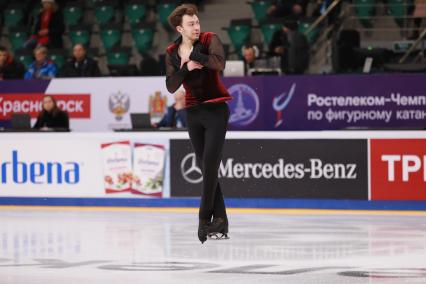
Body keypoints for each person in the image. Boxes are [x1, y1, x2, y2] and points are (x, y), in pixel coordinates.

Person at [166, 4, 232, 244]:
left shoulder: (209, 39)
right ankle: (221, 222)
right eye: (191, 24)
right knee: (206, 168)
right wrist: (186, 67)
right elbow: (171, 85)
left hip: (215, 109)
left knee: (211, 165)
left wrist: (194, 55)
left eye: (197, 22)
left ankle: (204, 219)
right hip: (193, 113)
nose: (196, 26)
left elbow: (218, 63)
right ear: (179, 28)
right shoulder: (172, 50)